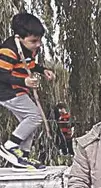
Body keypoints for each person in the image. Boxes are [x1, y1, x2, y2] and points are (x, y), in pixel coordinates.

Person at [0, 13, 55, 170]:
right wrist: (23, 81)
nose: (38, 44)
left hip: (18, 89)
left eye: (39, 40)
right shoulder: (8, 50)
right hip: (7, 91)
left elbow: (29, 64)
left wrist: (43, 70)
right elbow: (1, 74)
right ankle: (10, 146)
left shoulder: (28, 49)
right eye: (33, 41)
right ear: (19, 37)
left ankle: (22, 156)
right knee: (35, 117)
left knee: (28, 124)